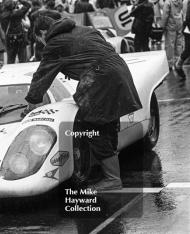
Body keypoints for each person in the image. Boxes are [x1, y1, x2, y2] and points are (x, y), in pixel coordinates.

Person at [22, 16, 142, 191]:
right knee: (107, 121)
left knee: (92, 124)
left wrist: (31, 102)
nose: (41, 43)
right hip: (119, 70)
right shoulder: (85, 29)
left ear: (42, 32)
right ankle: (111, 172)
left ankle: (112, 179)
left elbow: (42, 75)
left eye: (39, 39)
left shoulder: (54, 43)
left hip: (100, 77)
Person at [161, 0, 184, 70]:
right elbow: (181, 11)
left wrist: (163, 26)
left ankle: (169, 63)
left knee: (170, 45)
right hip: (179, 23)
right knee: (179, 44)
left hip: (171, 25)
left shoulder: (168, 2)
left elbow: (165, 15)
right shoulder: (180, 1)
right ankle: (178, 62)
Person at [174, 0, 190, 80]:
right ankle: (178, 65)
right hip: (188, 29)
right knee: (188, 49)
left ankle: (178, 65)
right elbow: (188, 18)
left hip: (187, 27)